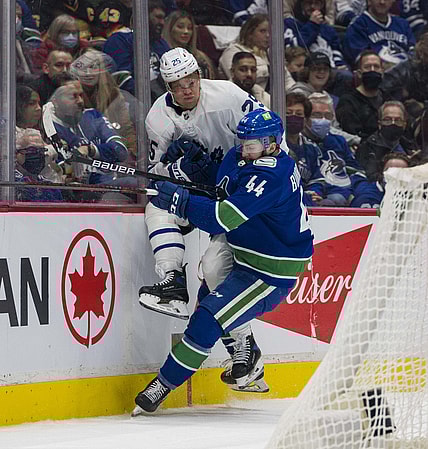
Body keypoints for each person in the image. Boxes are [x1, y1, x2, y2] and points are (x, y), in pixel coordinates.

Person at [133, 109, 314, 414]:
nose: (245, 148)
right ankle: (248, 352)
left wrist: (181, 200)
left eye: (252, 144)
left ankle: (163, 384)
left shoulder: (272, 174)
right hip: (243, 246)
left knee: (208, 316)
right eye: (242, 141)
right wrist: (193, 170)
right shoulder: (241, 155)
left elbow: (221, 218)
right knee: (212, 269)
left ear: (272, 143)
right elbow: (223, 188)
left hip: (271, 266)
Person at [138, 47, 288, 392]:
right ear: (168, 87)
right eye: (177, 84)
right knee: (158, 207)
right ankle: (173, 282)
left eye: (190, 80)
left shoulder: (230, 97)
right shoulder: (158, 119)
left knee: (217, 271)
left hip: (243, 191)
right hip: (205, 190)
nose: (186, 89)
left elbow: (270, 140)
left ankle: (245, 354)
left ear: (199, 77)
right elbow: (155, 174)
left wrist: (238, 178)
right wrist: (174, 169)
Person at [43, 75, 129, 187]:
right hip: (82, 192)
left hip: (109, 181)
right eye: (73, 96)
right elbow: (58, 172)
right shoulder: (49, 128)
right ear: (55, 101)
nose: (80, 101)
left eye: (81, 95)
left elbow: (121, 150)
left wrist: (90, 150)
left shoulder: (92, 116)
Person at [70, 49, 137, 160]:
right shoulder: (69, 94)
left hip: (111, 153)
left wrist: (132, 153)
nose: (88, 73)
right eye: (83, 67)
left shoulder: (114, 94)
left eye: (93, 67)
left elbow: (126, 128)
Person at [303, 92, 366, 206]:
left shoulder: (338, 141)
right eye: (317, 115)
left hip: (343, 193)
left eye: (327, 116)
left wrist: (362, 192)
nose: (323, 120)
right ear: (306, 117)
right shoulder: (300, 143)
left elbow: (355, 170)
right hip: (314, 196)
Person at [219, 14, 295, 91]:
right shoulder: (232, 51)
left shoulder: (271, 53)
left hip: (272, 99)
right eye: (262, 31)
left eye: (270, 31)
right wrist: (269, 70)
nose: (268, 35)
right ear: (250, 33)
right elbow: (237, 78)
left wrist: (295, 93)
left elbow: (287, 79)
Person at [343, 0, 416, 68]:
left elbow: (413, 51)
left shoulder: (403, 24)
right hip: (378, 75)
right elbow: (362, 61)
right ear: (369, 1)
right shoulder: (358, 25)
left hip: (407, 74)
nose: (382, 2)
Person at [356, 100, 416, 181]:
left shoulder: (410, 146)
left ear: (404, 125)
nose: (393, 123)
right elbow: (370, 177)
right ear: (380, 124)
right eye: (387, 120)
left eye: (398, 120)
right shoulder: (367, 148)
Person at [283, 0, 348, 70]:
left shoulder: (328, 29)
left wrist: (340, 65)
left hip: (330, 70)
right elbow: (295, 48)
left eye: (316, 3)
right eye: (308, 3)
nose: (312, 6)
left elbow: (336, 52)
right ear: (301, 4)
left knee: (346, 75)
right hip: (305, 70)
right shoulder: (290, 24)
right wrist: (312, 25)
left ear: (322, 6)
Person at [285, 92, 325, 206]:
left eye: (298, 114)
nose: (293, 117)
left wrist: (314, 192)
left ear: (306, 120)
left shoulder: (312, 148)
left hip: (309, 200)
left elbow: (318, 178)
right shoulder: (275, 146)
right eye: (288, 113)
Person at [336, 50, 385, 142]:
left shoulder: (387, 98)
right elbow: (352, 133)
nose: (372, 70)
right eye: (367, 67)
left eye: (376, 66)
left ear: (382, 72)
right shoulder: (347, 101)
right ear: (359, 73)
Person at [161, 9, 217, 80]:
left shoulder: (201, 58)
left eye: (190, 28)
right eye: (180, 27)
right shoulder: (162, 56)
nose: (186, 31)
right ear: (169, 29)